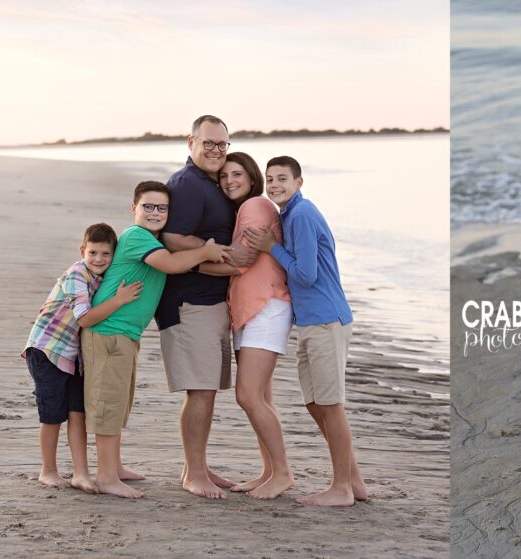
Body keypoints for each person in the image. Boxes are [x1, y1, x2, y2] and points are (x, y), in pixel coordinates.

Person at [80, 181, 228, 498]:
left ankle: (114, 466)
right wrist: (207, 249)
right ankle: (105, 476)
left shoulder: (152, 241)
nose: (155, 212)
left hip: (124, 335)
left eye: (162, 208)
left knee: (120, 402)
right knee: (108, 404)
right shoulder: (136, 237)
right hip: (108, 331)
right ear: (134, 208)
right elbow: (173, 265)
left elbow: (175, 261)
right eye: (148, 206)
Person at [245, 156, 366, 507]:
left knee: (330, 405)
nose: (275, 185)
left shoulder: (300, 215)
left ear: (299, 182)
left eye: (282, 178)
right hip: (312, 322)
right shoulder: (289, 215)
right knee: (315, 403)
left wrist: (272, 249)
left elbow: (307, 274)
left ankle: (341, 487)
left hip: (327, 320)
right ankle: (354, 480)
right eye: (270, 179)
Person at [155, 114, 253, 499]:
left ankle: (198, 466)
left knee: (207, 389)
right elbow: (171, 236)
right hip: (188, 302)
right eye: (208, 143)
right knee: (200, 390)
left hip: (209, 301)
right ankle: (193, 473)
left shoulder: (209, 183)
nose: (215, 150)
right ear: (190, 142)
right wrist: (219, 255)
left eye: (221, 144)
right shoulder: (186, 185)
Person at [21, 223, 141, 492]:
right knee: (52, 415)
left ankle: (81, 473)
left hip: (73, 356)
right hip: (47, 350)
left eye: (106, 254)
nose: (99, 259)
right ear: (82, 251)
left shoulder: (103, 277)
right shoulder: (77, 274)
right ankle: (48, 471)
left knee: (78, 413)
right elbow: (85, 317)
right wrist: (119, 300)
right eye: (93, 253)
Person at [203, 151, 294, 499]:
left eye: (237, 174)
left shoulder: (256, 205)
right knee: (263, 396)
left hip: (267, 307)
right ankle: (269, 471)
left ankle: (283, 473)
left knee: (248, 395)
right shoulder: (247, 208)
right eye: (224, 176)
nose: (229, 181)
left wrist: (193, 261)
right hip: (249, 310)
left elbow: (242, 259)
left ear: (252, 176)